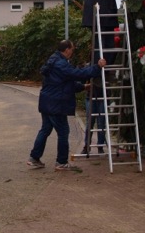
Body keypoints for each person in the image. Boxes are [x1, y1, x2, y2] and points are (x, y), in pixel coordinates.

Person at [28, 39, 106, 171]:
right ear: (67, 50)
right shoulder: (61, 64)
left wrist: (83, 87)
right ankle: (61, 162)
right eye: (72, 49)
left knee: (45, 130)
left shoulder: (53, 61)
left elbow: (64, 83)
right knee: (63, 131)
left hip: (48, 102)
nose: (73, 52)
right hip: (56, 104)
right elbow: (78, 74)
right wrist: (97, 67)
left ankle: (34, 158)